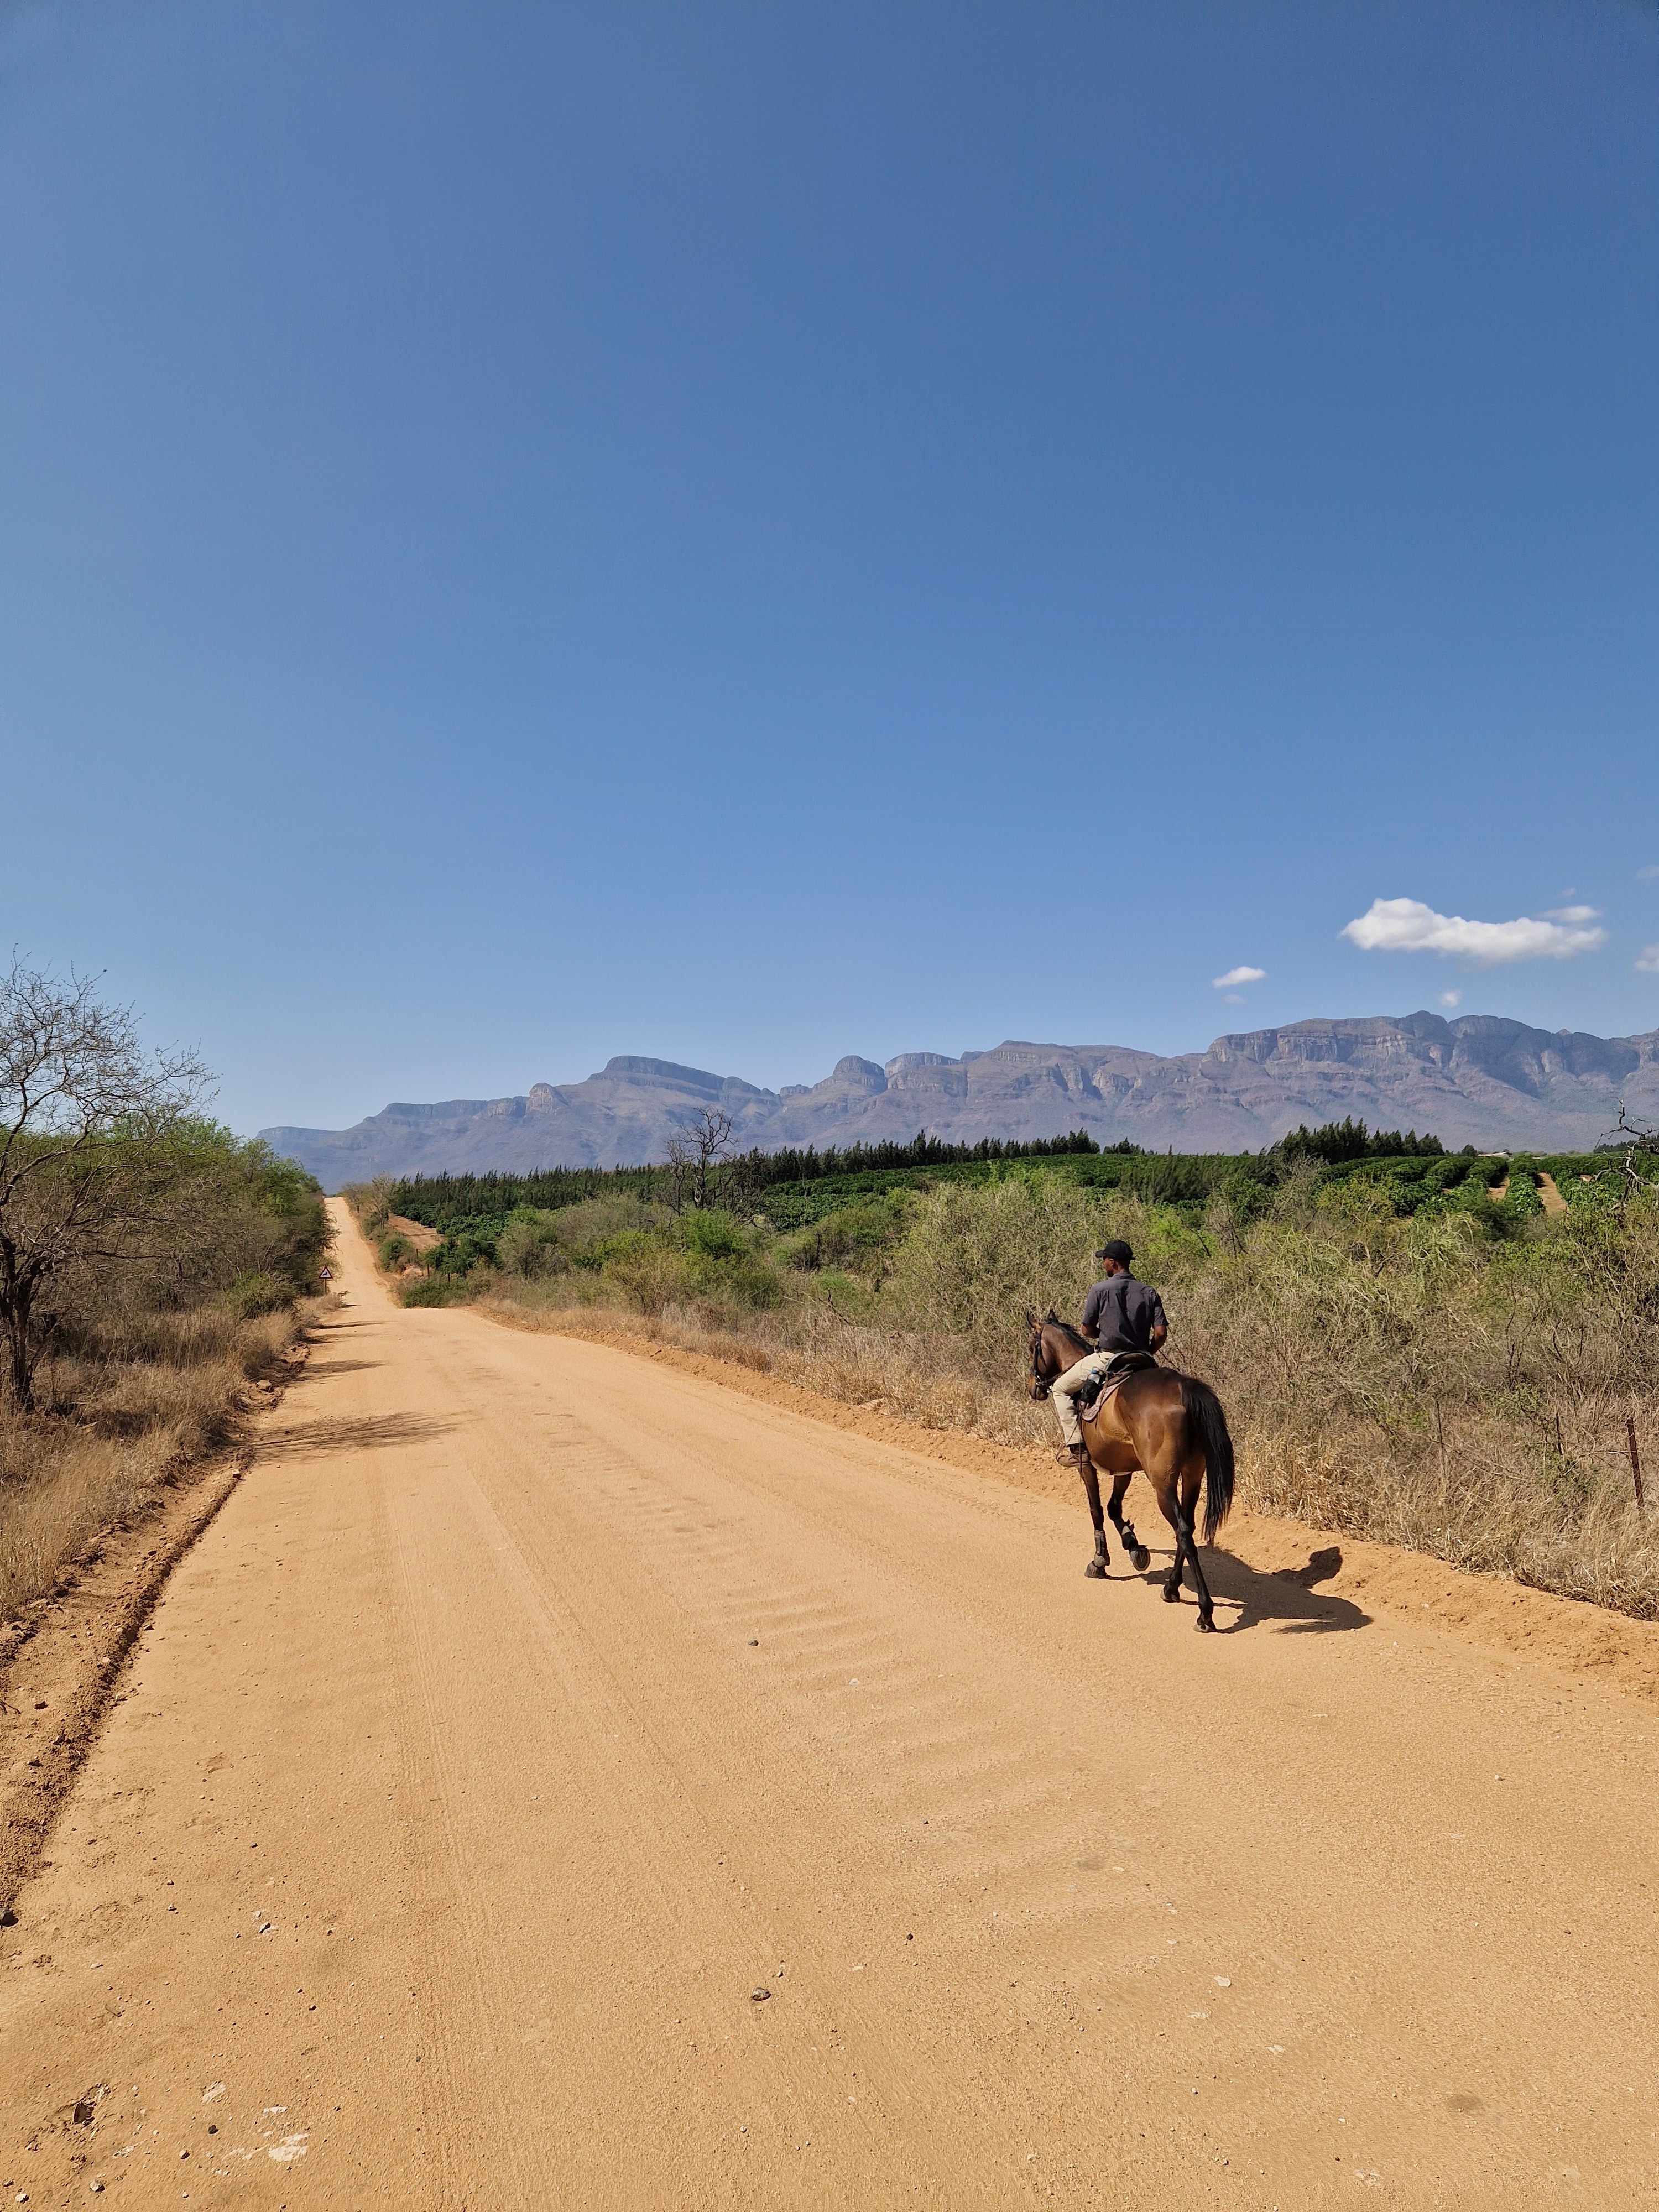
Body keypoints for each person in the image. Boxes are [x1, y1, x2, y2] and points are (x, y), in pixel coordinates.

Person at [1051, 1239, 1167, 1469]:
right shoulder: (1149, 1291)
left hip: (1108, 1358)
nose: (1103, 1263)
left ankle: (1077, 1448)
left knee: (1060, 1389)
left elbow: (1086, 1330)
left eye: (1104, 1259)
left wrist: (1103, 1331)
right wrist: (1147, 1352)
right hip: (1143, 1358)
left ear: (1112, 1262)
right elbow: (1161, 1333)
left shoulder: (1100, 1290)